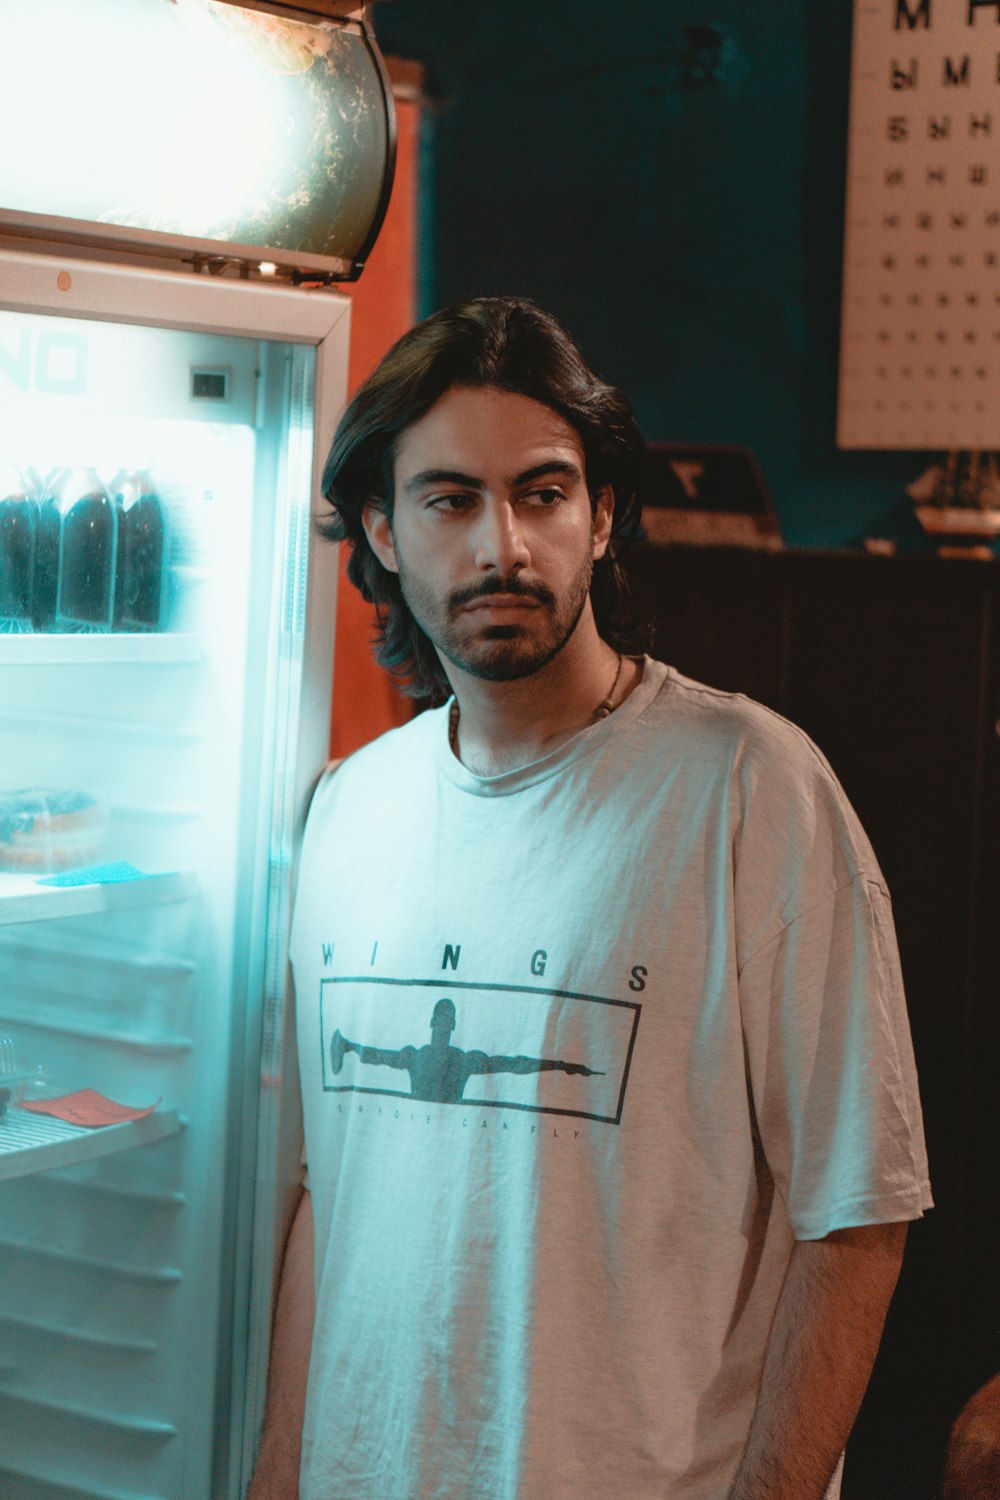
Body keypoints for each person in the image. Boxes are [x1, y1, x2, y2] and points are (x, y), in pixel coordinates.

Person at [249, 297, 932, 1500]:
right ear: (384, 528)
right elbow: (325, 1198)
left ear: (603, 516)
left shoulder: (749, 786)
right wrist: (277, 1474)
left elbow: (858, 1216)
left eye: (544, 492)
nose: (500, 545)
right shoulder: (350, 811)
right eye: (449, 499)